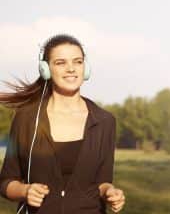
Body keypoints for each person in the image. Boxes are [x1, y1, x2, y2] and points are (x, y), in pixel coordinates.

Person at [0, 34, 125, 214]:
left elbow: (102, 182)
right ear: (46, 69)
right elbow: (6, 181)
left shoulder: (105, 121)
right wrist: (25, 191)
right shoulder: (27, 119)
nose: (71, 69)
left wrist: (111, 193)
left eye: (78, 62)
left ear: (85, 68)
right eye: (60, 63)